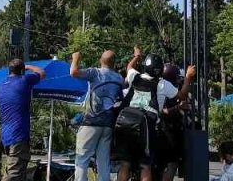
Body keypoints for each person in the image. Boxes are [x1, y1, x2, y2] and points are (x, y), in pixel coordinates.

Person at [117, 48, 197, 181]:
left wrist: (137, 56)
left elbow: (129, 67)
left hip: (127, 124)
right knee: (145, 166)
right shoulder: (162, 84)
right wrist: (188, 77)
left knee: (125, 164)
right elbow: (182, 95)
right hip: (147, 128)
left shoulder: (134, 76)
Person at [71, 50, 126, 181]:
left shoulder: (95, 72)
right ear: (114, 63)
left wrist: (75, 58)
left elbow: (73, 72)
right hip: (108, 124)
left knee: (82, 158)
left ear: (100, 60)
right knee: (103, 161)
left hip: (91, 122)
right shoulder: (119, 78)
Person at [0, 58, 47, 181]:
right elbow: (42, 73)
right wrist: (29, 66)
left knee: (15, 169)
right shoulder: (24, 80)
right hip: (18, 134)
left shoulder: (1, 85)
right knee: (15, 174)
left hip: (6, 135)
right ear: (22, 71)